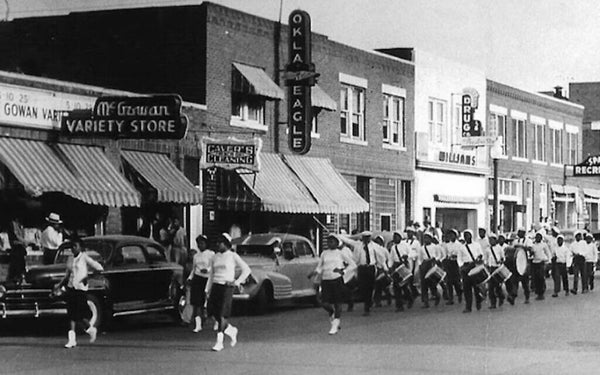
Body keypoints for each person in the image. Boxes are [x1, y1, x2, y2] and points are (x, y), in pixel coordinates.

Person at [57, 234, 104, 348]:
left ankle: (90, 329)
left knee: (80, 315)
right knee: (71, 315)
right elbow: (67, 274)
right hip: (71, 288)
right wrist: (59, 284)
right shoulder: (70, 258)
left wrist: (88, 278)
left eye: (75, 246)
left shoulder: (84, 257)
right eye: (72, 246)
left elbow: (98, 267)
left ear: (80, 247)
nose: (73, 248)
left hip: (81, 290)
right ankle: (72, 340)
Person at [206, 233, 251, 352]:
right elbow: (211, 274)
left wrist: (236, 282)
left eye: (220, 242)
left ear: (226, 243)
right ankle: (231, 330)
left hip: (227, 287)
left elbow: (246, 269)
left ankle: (219, 342)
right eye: (217, 242)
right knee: (212, 312)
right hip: (216, 285)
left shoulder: (233, 256)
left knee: (222, 314)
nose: (217, 244)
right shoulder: (214, 257)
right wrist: (207, 289)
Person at [309, 234, 356, 335]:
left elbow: (352, 265)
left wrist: (343, 271)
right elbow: (320, 266)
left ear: (336, 242)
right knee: (324, 303)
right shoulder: (324, 253)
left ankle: (335, 325)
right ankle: (331, 312)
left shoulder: (340, 253)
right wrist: (314, 272)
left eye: (332, 241)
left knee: (338, 303)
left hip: (336, 280)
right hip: (326, 280)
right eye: (328, 241)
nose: (330, 243)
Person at [340, 231, 387, 316]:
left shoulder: (375, 247)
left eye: (368, 237)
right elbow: (348, 241)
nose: (366, 239)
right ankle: (367, 302)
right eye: (365, 237)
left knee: (370, 287)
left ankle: (367, 307)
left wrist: (385, 268)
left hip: (371, 268)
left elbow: (381, 258)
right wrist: (339, 236)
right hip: (362, 268)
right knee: (362, 287)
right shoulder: (358, 246)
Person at [186, 234, 215, 333]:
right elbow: (194, 269)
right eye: (198, 244)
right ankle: (198, 325)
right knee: (197, 302)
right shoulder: (196, 256)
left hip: (207, 279)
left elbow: (213, 266)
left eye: (202, 243)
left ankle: (215, 320)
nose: (200, 245)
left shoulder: (211, 254)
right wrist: (190, 278)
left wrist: (207, 270)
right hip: (197, 279)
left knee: (208, 301)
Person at [458, 229, 484, 313]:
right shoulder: (461, 247)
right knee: (466, 288)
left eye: (468, 235)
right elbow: (459, 258)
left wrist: (479, 258)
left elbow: (481, 254)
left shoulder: (477, 245)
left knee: (476, 286)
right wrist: (462, 266)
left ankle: (478, 301)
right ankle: (468, 307)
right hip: (466, 267)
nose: (466, 237)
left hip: (474, 266)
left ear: (471, 236)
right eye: (465, 235)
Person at [388, 230, 414, 311]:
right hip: (396, 266)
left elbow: (412, 253)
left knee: (404, 285)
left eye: (396, 236)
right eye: (394, 237)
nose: (394, 238)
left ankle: (409, 299)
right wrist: (389, 266)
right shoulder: (393, 247)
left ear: (400, 237)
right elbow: (391, 258)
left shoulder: (405, 245)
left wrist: (407, 256)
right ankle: (399, 305)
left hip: (403, 265)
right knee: (396, 286)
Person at [417, 232, 442, 308]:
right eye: (425, 238)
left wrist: (436, 259)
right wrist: (421, 264)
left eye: (427, 238)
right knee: (424, 284)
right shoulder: (422, 248)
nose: (426, 239)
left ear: (431, 239)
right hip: (425, 264)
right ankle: (425, 301)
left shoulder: (435, 247)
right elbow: (419, 258)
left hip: (432, 264)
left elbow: (439, 255)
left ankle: (436, 295)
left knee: (432, 283)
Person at [443, 229, 463, 305]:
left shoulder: (460, 245)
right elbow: (445, 254)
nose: (451, 236)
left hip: (456, 263)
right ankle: (450, 298)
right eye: (449, 235)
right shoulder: (447, 245)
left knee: (456, 281)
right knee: (449, 282)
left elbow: (460, 254)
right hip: (449, 263)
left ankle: (459, 293)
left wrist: (456, 256)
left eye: (452, 235)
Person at [485, 233, 505, 309]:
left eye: (492, 240)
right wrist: (486, 265)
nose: (491, 241)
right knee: (490, 287)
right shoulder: (487, 249)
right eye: (489, 240)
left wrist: (500, 261)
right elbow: (486, 259)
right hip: (490, 268)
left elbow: (503, 257)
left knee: (498, 286)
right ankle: (493, 303)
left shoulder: (499, 248)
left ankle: (501, 297)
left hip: (497, 268)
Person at [530, 231, 551, 300]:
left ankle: (541, 293)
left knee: (541, 278)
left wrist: (548, 261)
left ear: (541, 238)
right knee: (535, 278)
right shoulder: (533, 245)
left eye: (539, 237)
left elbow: (548, 253)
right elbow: (531, 254)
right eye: (536, 237)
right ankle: (538, 292)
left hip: (541, 262)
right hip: (535, 262)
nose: (537, 238)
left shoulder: (544, 245)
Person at [373, 235, 392, 307]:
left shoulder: (384, 250)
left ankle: (385, 298)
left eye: (379, 241)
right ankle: (378, 300)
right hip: (376, 268)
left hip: (383, 269)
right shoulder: (373, 249)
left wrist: (388, 268)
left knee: (382, 285)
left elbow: (389, 259)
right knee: (378, 286)